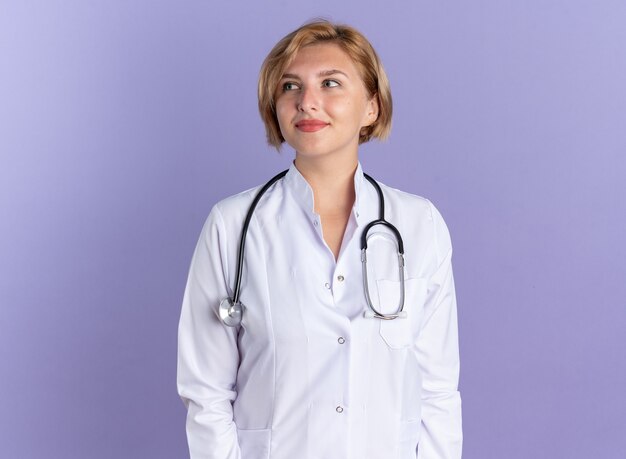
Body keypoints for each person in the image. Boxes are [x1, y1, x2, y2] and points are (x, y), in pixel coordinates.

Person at [177, 20, 462, 459]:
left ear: (371, 106)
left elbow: (439, 391)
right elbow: (205, 392)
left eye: (330, 83)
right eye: (290, 86)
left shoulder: (418, 225)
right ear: (275, 108)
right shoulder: (232, 225)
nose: (307, 102)